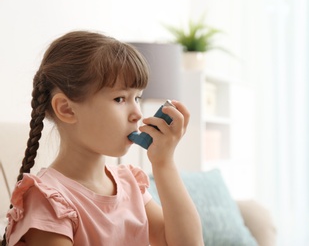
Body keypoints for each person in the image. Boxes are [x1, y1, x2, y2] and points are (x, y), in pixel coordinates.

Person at [1, 31, 203, 246]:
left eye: (137, 98)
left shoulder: (129, 184)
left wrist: (164, 164)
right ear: (66, 109)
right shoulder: (48, 201)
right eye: (120, 98)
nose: (137, 113)